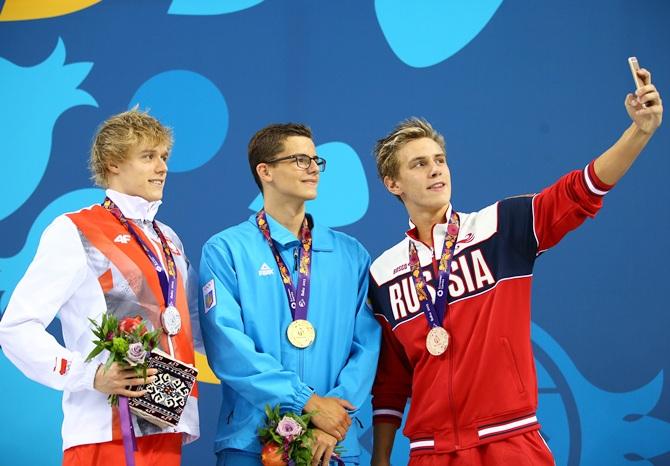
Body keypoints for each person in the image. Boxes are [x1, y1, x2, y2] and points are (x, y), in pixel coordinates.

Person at [368, 68, 663, 465]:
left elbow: (581, 191)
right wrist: (381, 459)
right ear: (393, 183)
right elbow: (391, 381)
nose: (436, 169)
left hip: (510, 441)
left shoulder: (500, 226)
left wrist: (639, 132)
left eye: (440, 160)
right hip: (431, 452)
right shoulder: (384, 273)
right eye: (419, 164)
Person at [0, 109, 200, 466]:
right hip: (104, 430)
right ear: (113, 163)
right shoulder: (76, 230)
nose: (162, 167)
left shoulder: (169, 240)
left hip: (166, 426)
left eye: (164, 157)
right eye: (148, 157)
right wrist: (89, 374)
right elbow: (16, 328)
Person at [199, 123, 380, 466]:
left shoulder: (350, 254)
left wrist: (333, 422)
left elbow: (367, 348)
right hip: (253, 445)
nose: (313, 168)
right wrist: (307, 403)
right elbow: (228, 348)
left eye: (315, 160)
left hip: (331, 446)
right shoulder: (226, 250)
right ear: (265, 171)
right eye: (299, 160)